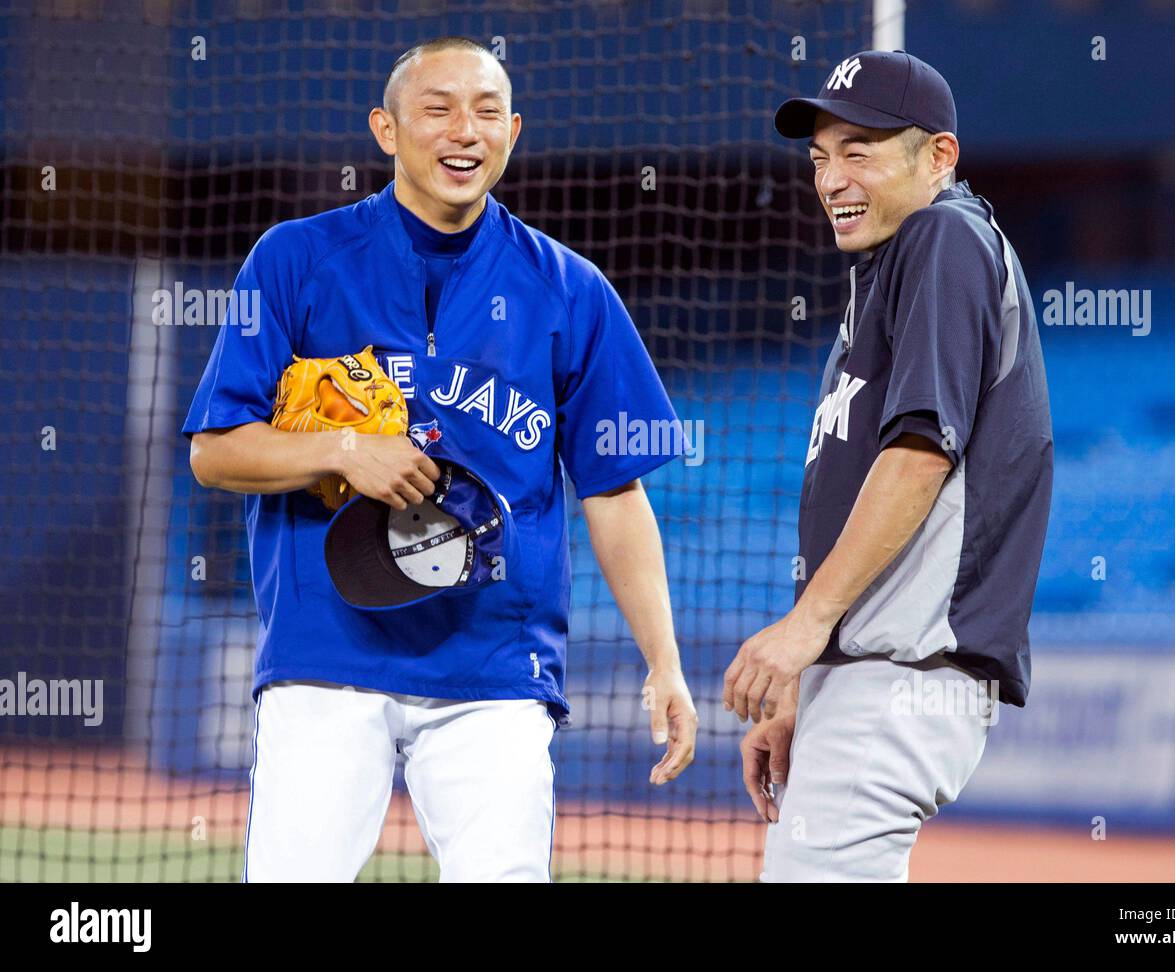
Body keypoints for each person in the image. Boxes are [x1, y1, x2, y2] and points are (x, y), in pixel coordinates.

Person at [184, 36, 697, 882]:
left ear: (514, 132)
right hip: (328, 653)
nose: (466, 130)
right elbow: (215, 452)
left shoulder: (570, 290)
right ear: (386, 130)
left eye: (488, 111)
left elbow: (615, 493)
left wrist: (666, 663)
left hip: (495, 662)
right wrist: (344, 447)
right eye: (438, 108)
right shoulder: (294, 260)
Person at [723, 50, 1053, 882]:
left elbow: (918, 456)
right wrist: (814, 676)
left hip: (904, 673)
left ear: (937, 156)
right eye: (818, 157)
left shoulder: (943, 236)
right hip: (868, 672)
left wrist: (801, 637)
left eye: (859, 151)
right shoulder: (889, 267)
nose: (831, 178)